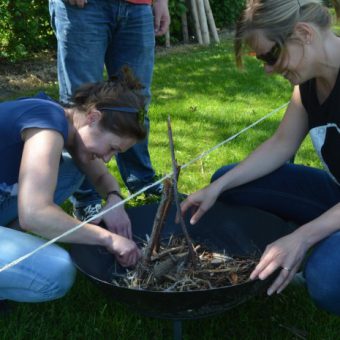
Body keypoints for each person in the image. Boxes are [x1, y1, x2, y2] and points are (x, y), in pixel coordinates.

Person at [181, 0, 340, 315]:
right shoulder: (308, 86)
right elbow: (281, 145)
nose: (268, 69)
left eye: (270, 55)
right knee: (230, 184)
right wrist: (219, 186)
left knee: (327, 280)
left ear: (304, 33)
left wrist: (302, 237)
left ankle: (314, 250)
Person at [0, 69, 146, 303]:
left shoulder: (55, 116)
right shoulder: (46, 124)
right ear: (93, 117)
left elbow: (101, 178)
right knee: (56, 271)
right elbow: (34, 215)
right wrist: (108, 239)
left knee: (75, 166)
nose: (108, 159)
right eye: (112, 148)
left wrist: (114, 199)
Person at [49, 0, 170, 221]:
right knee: (79, 105)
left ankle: (142, 182)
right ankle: (87, 200)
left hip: (138, 5)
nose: (106, 159)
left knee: (136, 104)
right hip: (85, 7)